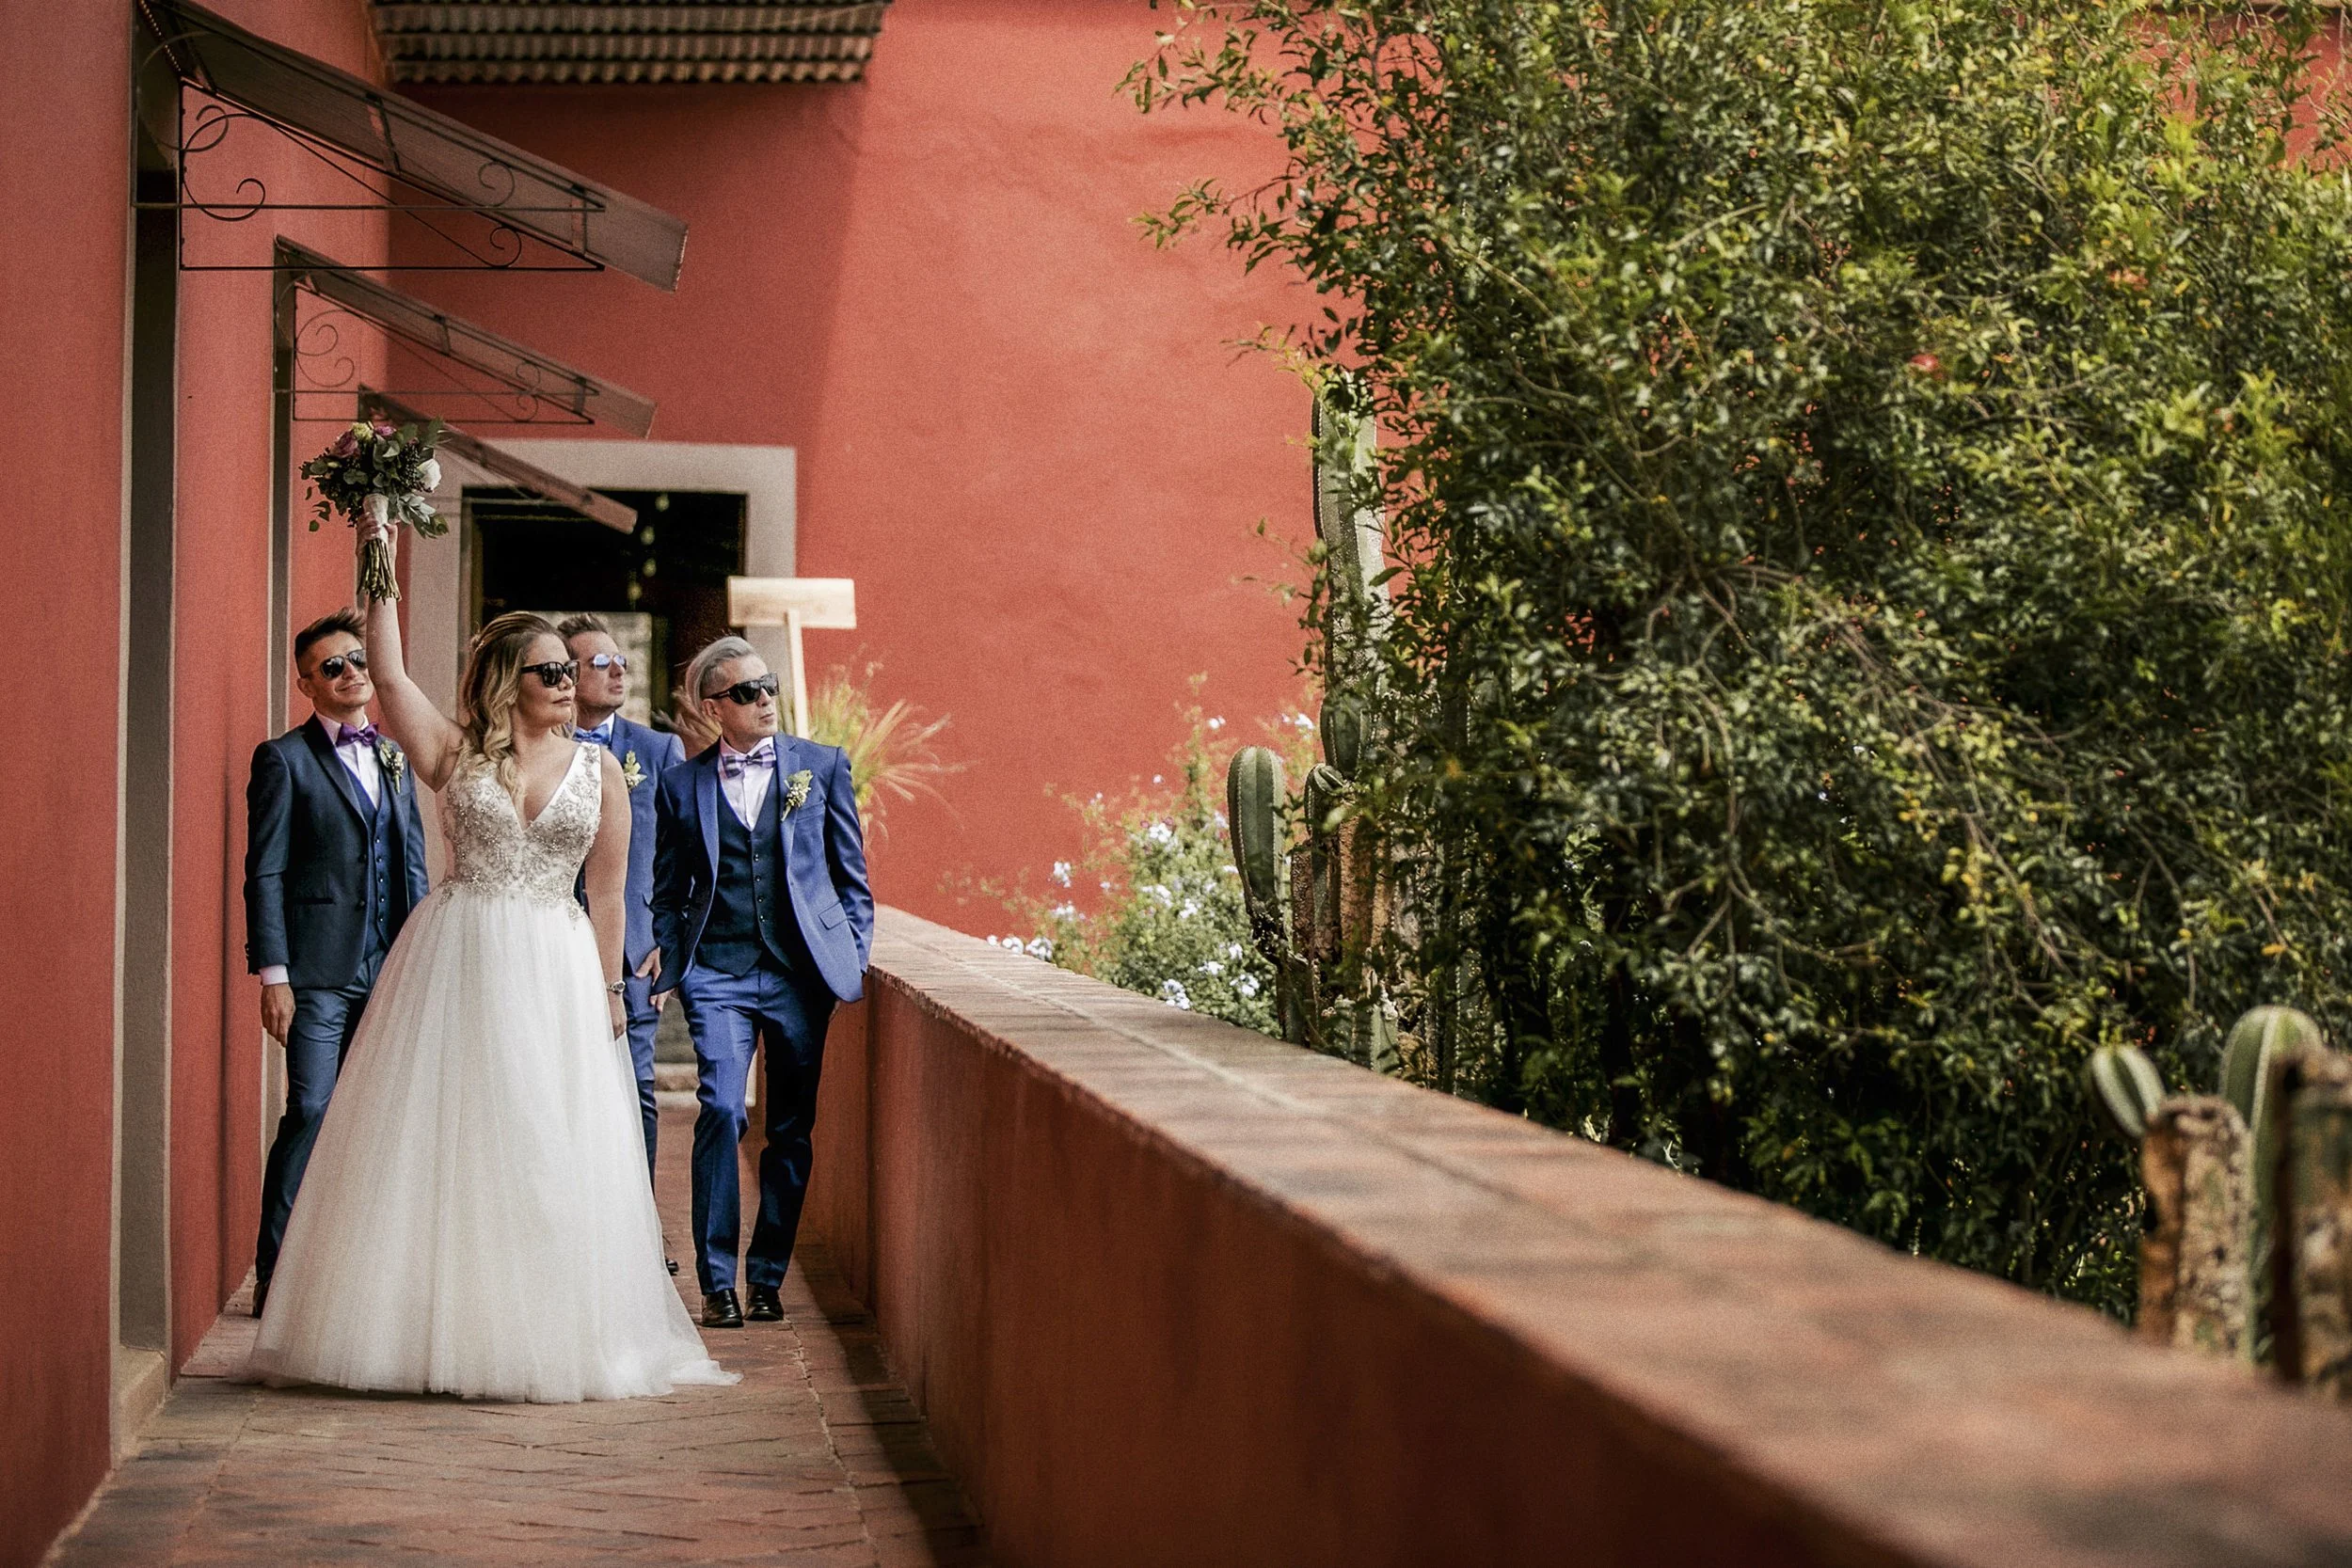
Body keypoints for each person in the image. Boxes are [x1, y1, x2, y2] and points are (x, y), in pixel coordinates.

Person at [248, 521, 732, 1402]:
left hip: (553, 962)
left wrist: (611, 990)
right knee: (449, 1138)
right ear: (512, 680)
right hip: (458, 956)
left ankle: (542, 1331)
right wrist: (378, 548)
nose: (570, 682)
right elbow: (389, 676)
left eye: (573, 669)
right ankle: (433, 1326)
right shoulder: (455, 753)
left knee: (546, 1139)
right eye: (552, 669)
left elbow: (612, 894)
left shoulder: (602, 774)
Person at [651, 638, 871, 1330]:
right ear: (714, 707)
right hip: (716, 970)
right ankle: (718, 1282)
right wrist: (666, 952)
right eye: (746, 692)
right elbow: (665, 888)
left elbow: (851, 877)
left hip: (799, 973)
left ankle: (767, 1275)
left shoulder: (822, 767)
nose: (765, 699)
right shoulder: (680, 784)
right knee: (719, 1105)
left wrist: (852, 954)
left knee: (791, 1127)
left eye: (768, 686)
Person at [244, 609, 430, 1319]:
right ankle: (277, 1271)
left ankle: (356, 1275)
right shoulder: (283, 759)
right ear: (306, 683)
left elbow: (409, 859)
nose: (352, 673)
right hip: (317, 973)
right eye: (334, 666)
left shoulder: (394, 755)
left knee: (376, 1119)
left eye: (358, 660)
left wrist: (417, 957)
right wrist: (275, 974)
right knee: (314, 1108)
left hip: (387, 966)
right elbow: (265, 873)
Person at [559, 613, 685, 1183]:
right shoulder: (540, 747)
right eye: (601, 663)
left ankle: (641, 1235)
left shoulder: (657, 751)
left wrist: (667, 939)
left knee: (635, 1091)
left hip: (634, 955)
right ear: (566, 673)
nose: (618, 672)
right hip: (551, 944)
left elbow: (685, 856)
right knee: (557, 1089)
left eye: (622, 662)